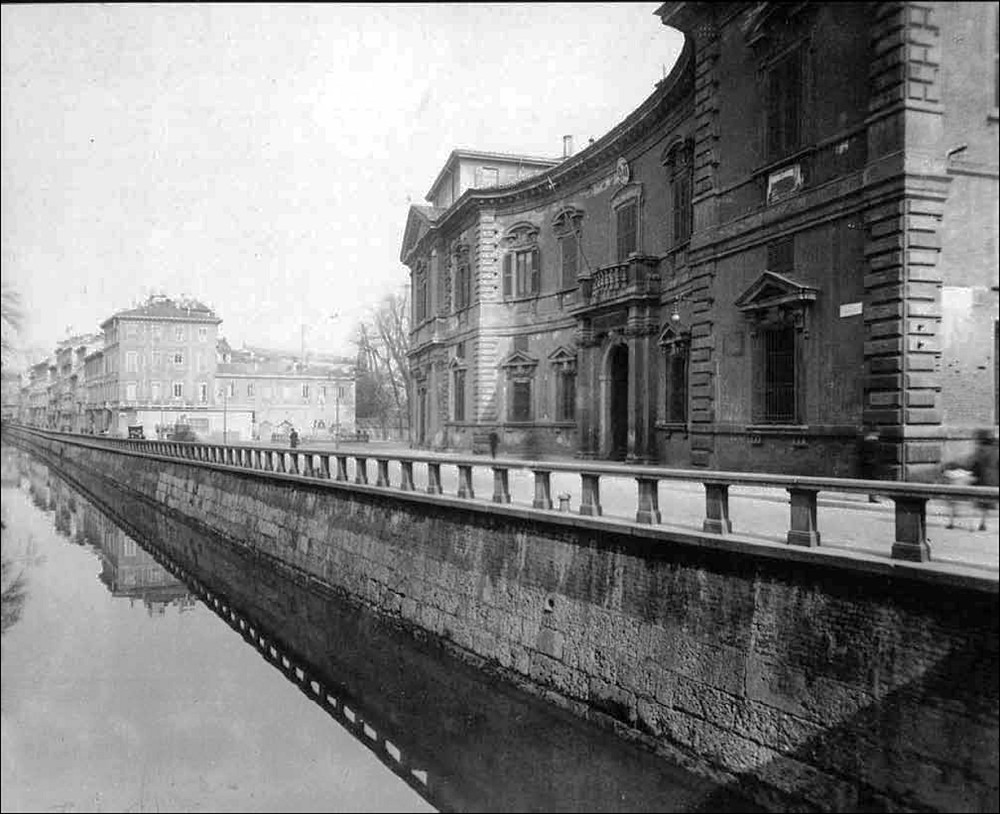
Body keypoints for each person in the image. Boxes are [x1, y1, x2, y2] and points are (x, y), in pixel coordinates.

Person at [969, 428, 999, 532]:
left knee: (977, 503)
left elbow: (975, 464)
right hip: (992, 480)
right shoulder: (995, 451)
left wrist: (973, 475)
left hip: (981, 479)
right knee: (986, 504)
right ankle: (982, 523)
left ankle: (975, 524)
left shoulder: (980, 450)